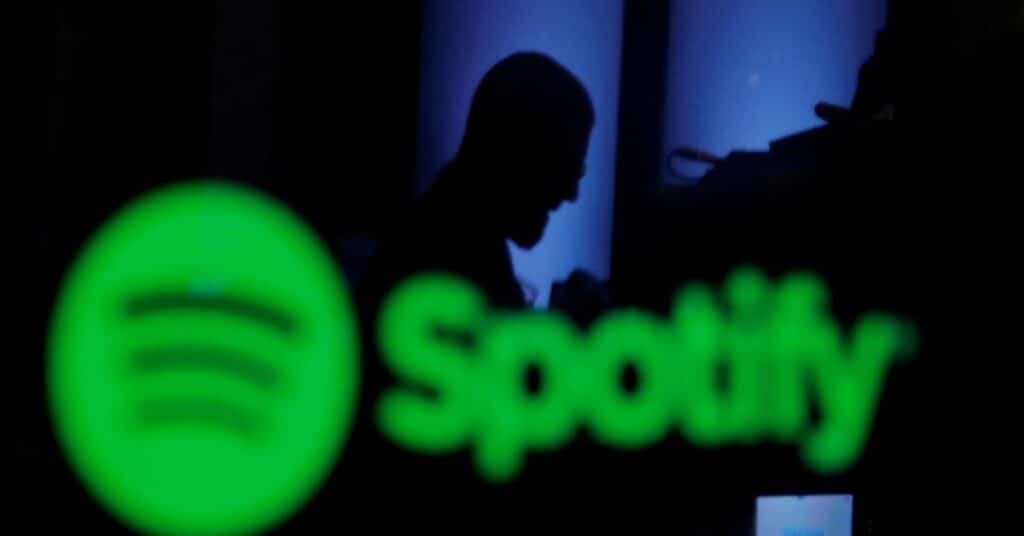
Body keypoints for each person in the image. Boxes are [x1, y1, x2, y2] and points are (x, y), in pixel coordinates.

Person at [359, 52, 595, 315]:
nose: (571, 193)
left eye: (576, 170)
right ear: (520, 150)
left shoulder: (440, 237)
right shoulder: (448, 265)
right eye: (564, 166)